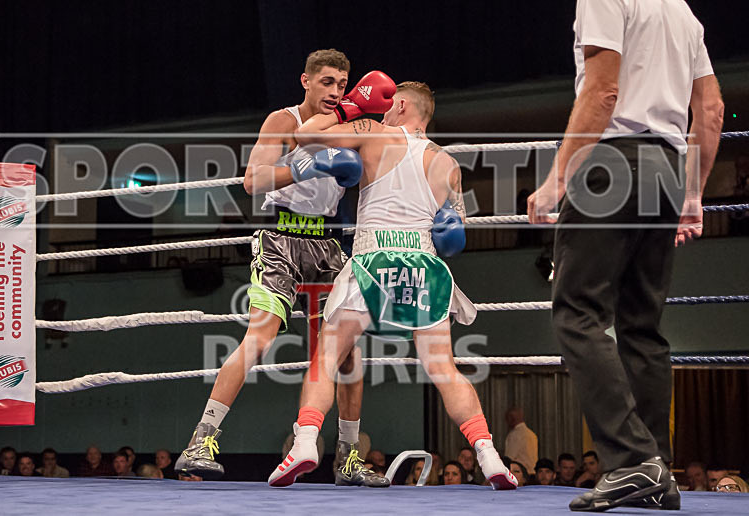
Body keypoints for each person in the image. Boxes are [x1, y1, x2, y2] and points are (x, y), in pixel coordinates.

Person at [267, 79, 516, 491]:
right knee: (444, 368)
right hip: (424, 266)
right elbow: (455, 235)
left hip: (372, 258)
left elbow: (306, 134)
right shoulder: (447, 163)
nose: (382, 110)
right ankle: (488, 453)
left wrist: (349, 108)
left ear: (399, 105)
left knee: (327, 356)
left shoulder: (372, 131)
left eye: (388, 105)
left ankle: (306, 441)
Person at [527, 0, 723, 511]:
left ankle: (634, 462)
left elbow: (603, 90)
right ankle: (656, 467)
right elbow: (711, 110)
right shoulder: (683, 13)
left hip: (612, 160)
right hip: (667, 166)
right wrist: (694, 195)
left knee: (577, 313)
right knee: (642, 324)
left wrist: (558, 178)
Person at [174, 49, 384, 488]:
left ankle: (348, 457)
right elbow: (253, 181)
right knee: (261, 336)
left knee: (348, 355)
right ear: (305, 81)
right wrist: (303, 166)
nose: (334, 91)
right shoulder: (283, 121)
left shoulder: (347, 127)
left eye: (342, 85)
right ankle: (201, 439)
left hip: (328, 244)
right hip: (280, 239)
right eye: (326, 82)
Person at [504, 406, 539, 475]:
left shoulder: (514, 435)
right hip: (533, 473)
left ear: (511, 418)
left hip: (520, 475)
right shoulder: (532, 434)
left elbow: (508, 458)